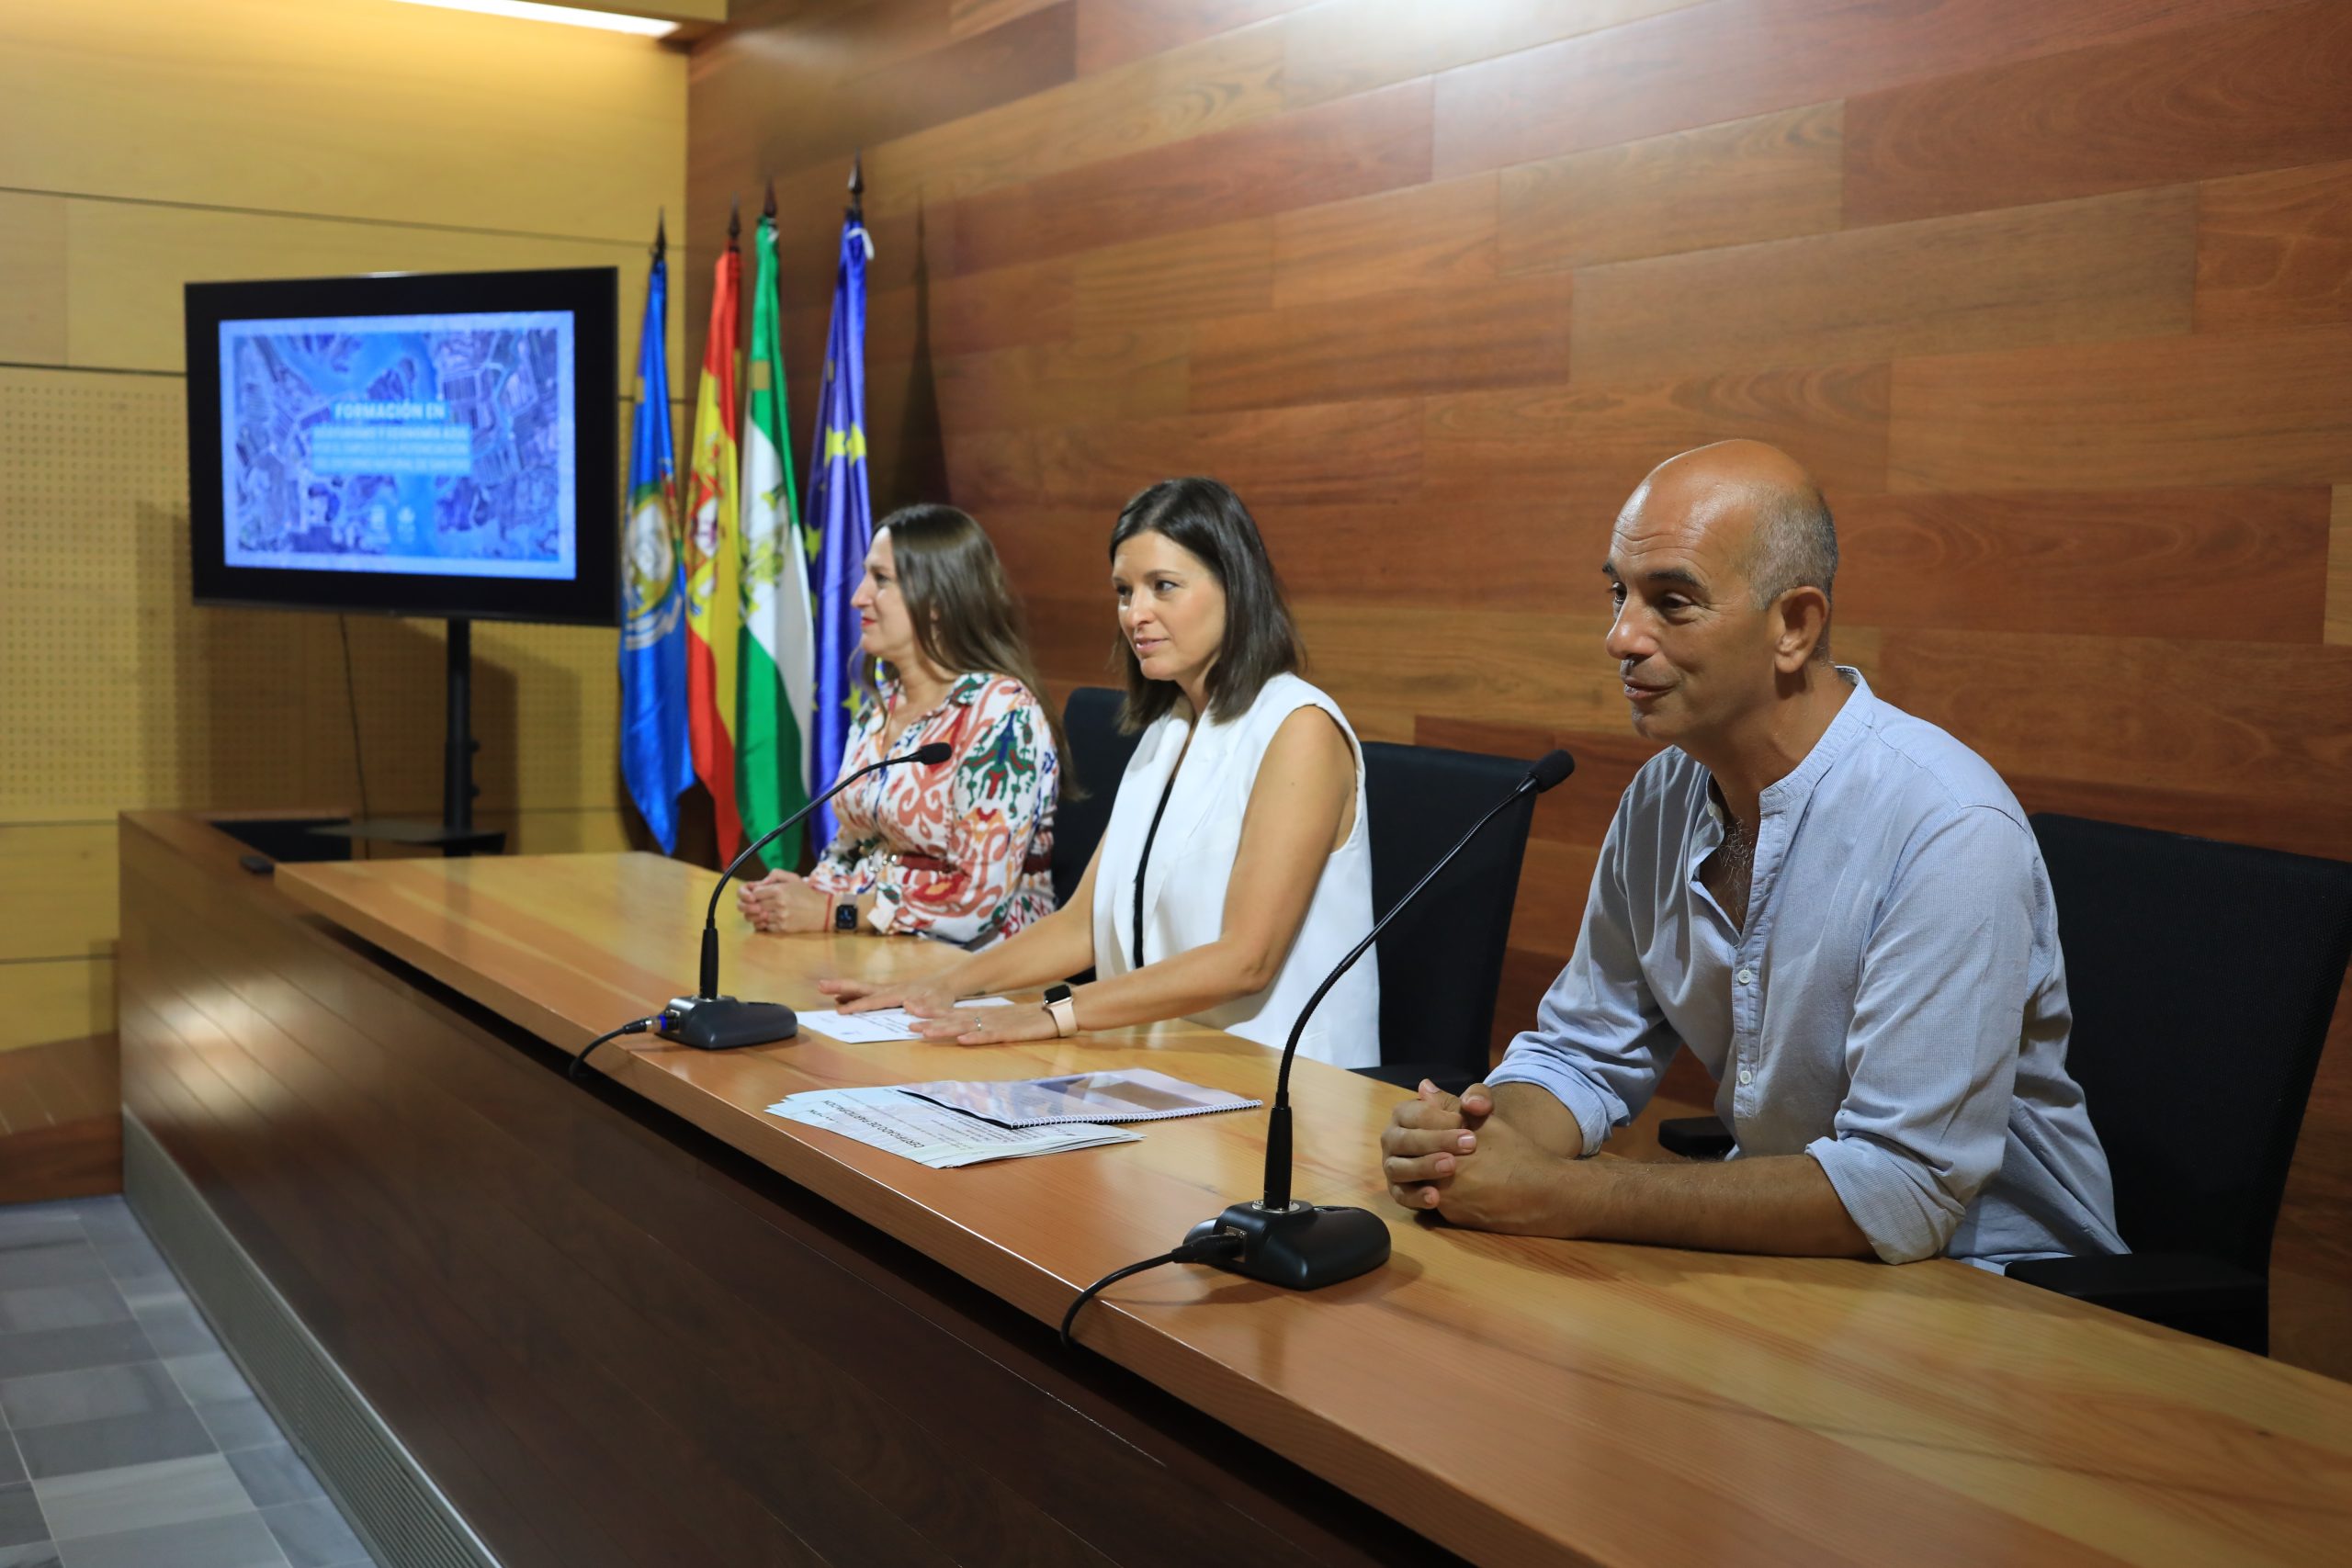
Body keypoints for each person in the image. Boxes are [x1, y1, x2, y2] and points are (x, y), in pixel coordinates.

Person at [1381, 441, 2122, 1269]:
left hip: (2009, 1293)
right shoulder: (1661, 795)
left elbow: (1903, 1189)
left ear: (1793, 626)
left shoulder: (1948, 827)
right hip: (1798, 1265)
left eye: (1672, 602)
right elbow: (1581, 1051)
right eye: (1619, 593)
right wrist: (1473, 1141)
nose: (1620, 636)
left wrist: (1557, 1193)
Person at [817, 476, 1380, 1067]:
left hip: (1290, 1080)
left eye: (1163, 586)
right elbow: (1083, 926)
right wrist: (943, 986)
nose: (1136, 614)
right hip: (1166, 1064)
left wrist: (1054, 1012)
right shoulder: (1168, 730)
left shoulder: (1300, 728)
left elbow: (1247, 959)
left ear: (1234, 587)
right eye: (1124, 591)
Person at [737, 504, 1060, 948]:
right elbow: (851, 849)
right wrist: (800, 896)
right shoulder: (879, 707)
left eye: (881, 579)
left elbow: (976, 902)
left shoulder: (1003, 715)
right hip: (872, 941)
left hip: (978, 961)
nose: (858, 597)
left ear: (938, 600)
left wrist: (834, 912)